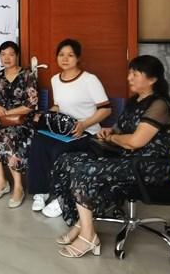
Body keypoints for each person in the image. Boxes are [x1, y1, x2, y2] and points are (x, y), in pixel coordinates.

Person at [51, 55, 170, 258]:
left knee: (83, 170)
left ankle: (88, 237)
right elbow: (121, 129)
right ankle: (81, 222)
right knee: (67, 160)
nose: (129, 78)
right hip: (126, 158)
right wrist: (110, 131)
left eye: (135, 74)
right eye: (130, 73)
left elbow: (135, 141)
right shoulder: (135, 101)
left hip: (147, 166)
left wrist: (112, 138)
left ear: (153, 79)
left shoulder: (159, 105)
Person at [28, 39, 111, 216]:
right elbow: (59, 106)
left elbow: (106, 109)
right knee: (38, 143)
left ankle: (62, 197)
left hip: (87, 131)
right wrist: (45, 115)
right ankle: (41, 191)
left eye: (70, 55)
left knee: (59, 149)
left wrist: (84, 124)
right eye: (61, 55)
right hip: (63, 129)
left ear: (78, 58)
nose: (65, 59)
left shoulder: (90, 80)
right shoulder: (55, 79)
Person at [0, 41, 38, 208]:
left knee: (8, 137)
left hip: (24, 122)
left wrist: (9, 112)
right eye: (3, 54)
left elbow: (31, 105)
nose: (7, 58)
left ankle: (18, 186)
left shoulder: (27, 76)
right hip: (3, 121)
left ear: (17, 56)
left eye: (11, 54)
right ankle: (2, 181)